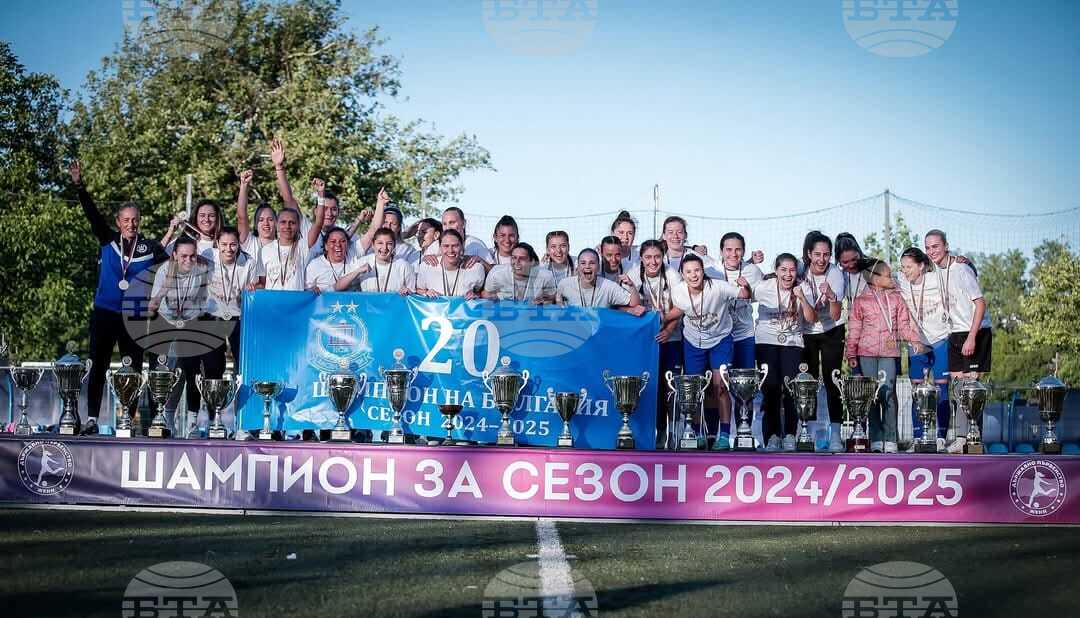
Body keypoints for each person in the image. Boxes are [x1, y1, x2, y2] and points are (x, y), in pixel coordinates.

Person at [70, 160, 168, 434]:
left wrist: (159, 296)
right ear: (118, 222)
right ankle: (91, 419)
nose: (131, 224)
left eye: (135, 220)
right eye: (126, 220)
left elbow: (174, 268)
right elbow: (92, 215)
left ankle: (127, 421)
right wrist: (79, 187)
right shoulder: (108, 240)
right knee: (98, 365)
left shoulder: (150, 247)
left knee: (132, 369)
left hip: (134, 316)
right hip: (104, 312)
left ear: (140, 221)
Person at [844, 258, 925, 453]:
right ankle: (876, 438)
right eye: (888, 276)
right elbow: (854, 330)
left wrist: (915, 339)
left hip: (889, 353)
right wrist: (851, 353)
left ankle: (891, 439)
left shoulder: (896, 299)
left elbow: (903, 325)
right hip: (866, 353)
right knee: (870, 397)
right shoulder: (861, 301)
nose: (892, 278)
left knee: (888, 394)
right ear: (875, 279)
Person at [925, 230, 992, 453]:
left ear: (946, 246)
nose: (931, 251)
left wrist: (972, 337)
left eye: (935, 246)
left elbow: (980, 303)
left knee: (971, 388)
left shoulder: (962, 269)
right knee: (958, 389)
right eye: (928, 247)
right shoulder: (936, 270)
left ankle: (968, 439)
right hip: (954, 332)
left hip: (974, 331)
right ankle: (967, 436)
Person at [668, 254, 741, 449]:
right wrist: (662, 319)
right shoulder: (678, 291)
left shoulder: (718, 287)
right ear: (682, 274)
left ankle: (724, 435)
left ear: (703, 271)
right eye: (688, 272)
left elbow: (743, 294)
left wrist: (746, 287)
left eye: (697, 270)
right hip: (693, 342)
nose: (693, 275)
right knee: (693, 390)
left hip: (720, 339)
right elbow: (679, 310)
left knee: (720, 386)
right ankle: (696, 433)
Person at [749, 253, 816, 451]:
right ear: (776, 271)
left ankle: (789, 435)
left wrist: (802, 297)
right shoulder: (763, 287)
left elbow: (811, 318)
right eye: (783, 270)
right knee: (770, 390)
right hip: (765, 342)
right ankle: (771, 436)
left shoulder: (803, 288)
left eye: (792, 270)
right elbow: (743, 296)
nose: (788, 274)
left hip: (793, 343)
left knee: (791, 391)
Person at [148, 236, 211, 437]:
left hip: (189, 322)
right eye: (183, 256)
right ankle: (164, 418)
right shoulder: (163, 271)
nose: (188, 260)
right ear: (174, 255)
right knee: (165, 373)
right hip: (165, 322)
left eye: (192, 256)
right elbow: (151, 307)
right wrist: (165, 288)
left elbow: (205, 302)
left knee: (191, 372)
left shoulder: (201, 271)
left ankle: (192, 422)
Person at [897, 247, 952, 450]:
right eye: (902, 267)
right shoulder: (901, 280)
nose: (905, 271)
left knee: (941, 388)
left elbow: (957, 273)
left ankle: (941, 437)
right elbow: (876, 272)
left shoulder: (936, 279)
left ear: (921, 266)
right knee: (917, 390)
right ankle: (918, 437)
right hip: (917, 342)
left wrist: (961, 260)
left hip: (940, 339)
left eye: (909, 267)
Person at [628, 240, 682, 446]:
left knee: (670, 386)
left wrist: (668, 329)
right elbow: (621, 305)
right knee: (650, 387)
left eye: (657, 257)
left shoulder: (672, 275)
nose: (653, 262)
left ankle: (673, 432)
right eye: (648, 257)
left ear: (663, 257)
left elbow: (681, 306)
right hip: (645, 341)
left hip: (671, 338)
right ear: (641, 258)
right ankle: (652, 432)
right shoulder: (634, 274)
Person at [798, 231, 847, 451]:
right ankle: (809, 432)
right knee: (808, 382)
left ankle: (835, 434)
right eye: (817, 254)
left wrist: (832, 297)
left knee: (832, 380)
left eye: (826, 254)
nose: (821, 259)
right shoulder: (801, 269)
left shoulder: (835, 274)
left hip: (831, 330)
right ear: (809, 254)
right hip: (806, 331)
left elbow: (836, 315)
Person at [206, 227, 259, 372]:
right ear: (217, 243)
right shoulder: (208, 255)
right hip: (213, 316)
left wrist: (253, 287)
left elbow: (255, 290)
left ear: (238, 244)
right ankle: (214, 387)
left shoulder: (249, 262)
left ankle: (241, 386)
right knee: (213, 366)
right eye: (224, 244)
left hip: (239, 317)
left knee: (243, 362)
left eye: (233, 244)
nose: (228, 249)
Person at [556, 248, 644, 314]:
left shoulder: (608, 286)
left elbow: (634, 303)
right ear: (578, 267)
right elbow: (557, 305)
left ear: (598, 267)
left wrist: (631, 286)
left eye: (592, 263)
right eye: (583, 263)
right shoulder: (564, 284)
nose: (587, 266)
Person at [259, 205, 325, 291]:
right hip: (272, 299)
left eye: (292, 223)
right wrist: (253, 286)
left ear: (298, 226)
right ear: (276, 224)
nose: (287, 226)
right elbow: (262, 284)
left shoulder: (302, 246)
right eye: (283, 222)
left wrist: (321, 197)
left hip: (296, 299)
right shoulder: (265, 250)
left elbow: (318, 223)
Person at [335, 227, 416, 294]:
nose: (384, 248)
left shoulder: (404, 266)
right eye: (380, 243)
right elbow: (338, 287)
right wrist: (357, 271)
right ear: (373, 245)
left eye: (389, 244)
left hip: (394, 308)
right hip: (368, 307)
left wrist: (408, 292)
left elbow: (413, 296)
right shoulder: (363, 262)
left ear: (394, 246)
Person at [414, 229, 487, 298]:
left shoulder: (476, 268)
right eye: (446, 246)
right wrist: (426, 292)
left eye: (455, 246)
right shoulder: (426, 267)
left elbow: (483, 293)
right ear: (440, 247)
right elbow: (418, 290)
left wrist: (476, 295)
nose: (450, 250)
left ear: (462, 247)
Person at [483, 242, 557, 303]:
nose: (517, 262)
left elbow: (552, 297)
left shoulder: (545, 276)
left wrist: (542, 301)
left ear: (532, 262)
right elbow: (486, 295)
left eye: (522, 258)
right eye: (514, 257)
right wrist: (499, 298)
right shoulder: (497, 273)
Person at [235, 168, 275, 277]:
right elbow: (241, 216)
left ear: (277, 223)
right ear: (255, 225)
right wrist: (244, 185)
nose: (266, 223)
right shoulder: (249, 242)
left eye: (270, 219)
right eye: (261, 220)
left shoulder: (282, 246)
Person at [418, 206, 490, 258]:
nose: (448, 228)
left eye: (452, 223)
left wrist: (480, 261)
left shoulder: (477, 245)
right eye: (444, 224)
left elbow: (492, 270)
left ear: (463, 223)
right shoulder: (434, 247)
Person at [305, 227, 360, 292]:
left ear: (347, 244)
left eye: (342, 241)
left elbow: (369, 237)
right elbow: (306, 290)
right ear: (326, 246)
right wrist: (312, 290)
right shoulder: (314, 265)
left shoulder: (353, 257)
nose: (338, 245)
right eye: (333, 241)